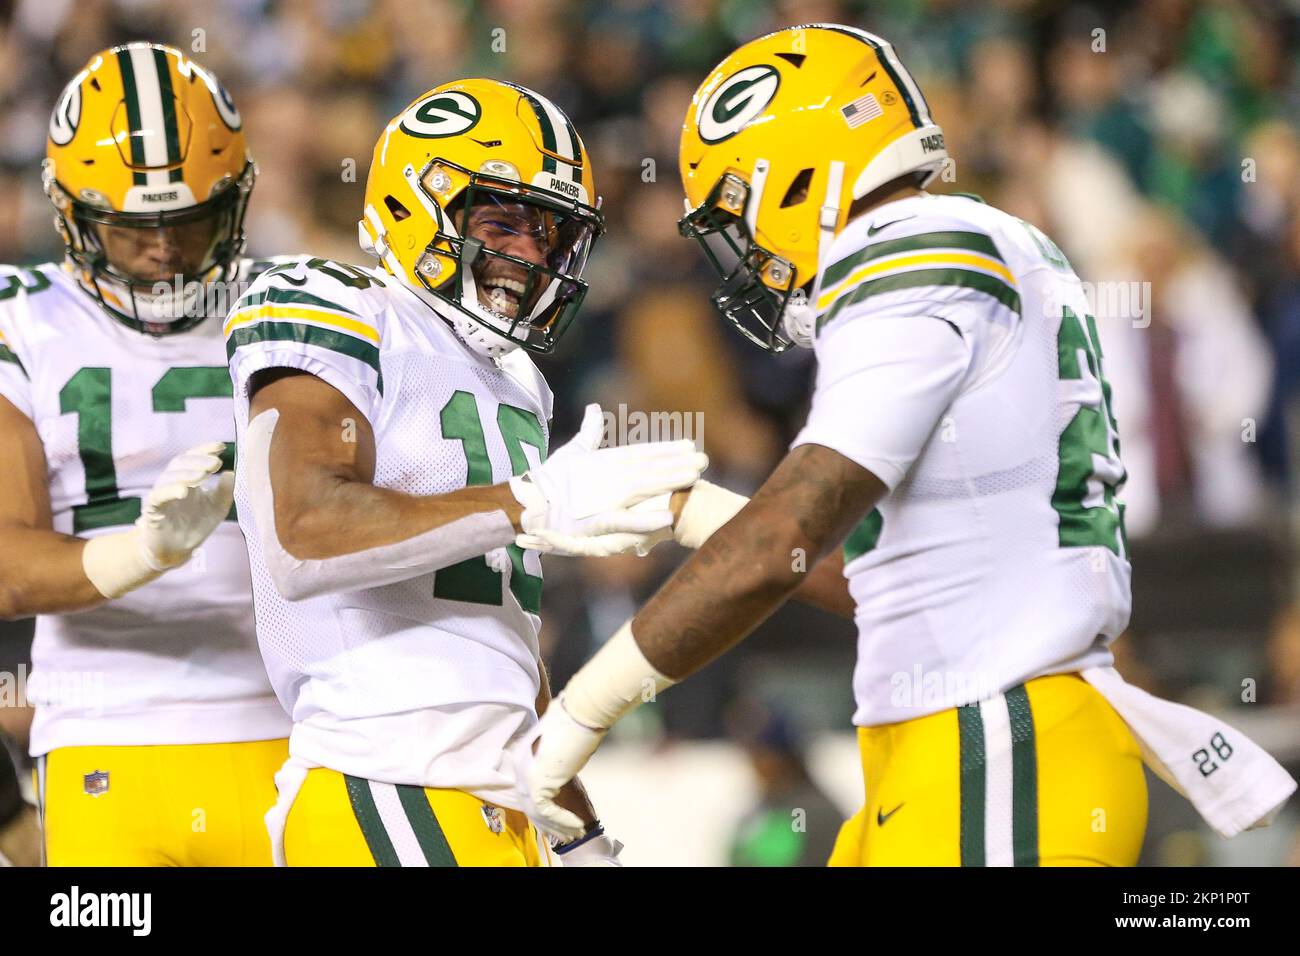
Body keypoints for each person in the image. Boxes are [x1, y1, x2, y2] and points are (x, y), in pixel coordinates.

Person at [528, 23, 1149, 866]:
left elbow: (784, 537)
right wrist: (693, 512)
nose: (740, 254)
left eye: (737, 217)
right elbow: (895, 581)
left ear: (800, 178)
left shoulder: (916, 256)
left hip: (997, 746)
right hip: (972, 746)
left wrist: (576, 717)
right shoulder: (980, 245)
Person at [226, 78, 707, 867]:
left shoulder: (517, 375)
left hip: (499, 804)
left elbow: (501, 642)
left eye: (551, 236)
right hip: (389, 781)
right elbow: (304, 536)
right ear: (422, 205)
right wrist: (529, 500)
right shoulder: (335, 299)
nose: (531, 255)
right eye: (503, 223)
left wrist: (576, 824)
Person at [0, 43, 291, 865]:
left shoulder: (292, 304)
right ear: (71, 212)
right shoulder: (21, 317)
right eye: (130, 228)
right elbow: (8, 568)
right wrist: (144, 552)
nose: (162, 250)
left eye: (187, 221)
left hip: (300, 724)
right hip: (109, 733)